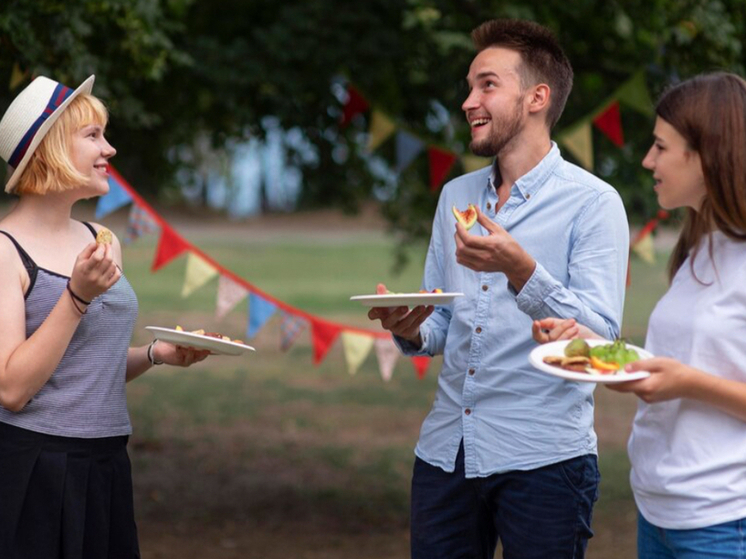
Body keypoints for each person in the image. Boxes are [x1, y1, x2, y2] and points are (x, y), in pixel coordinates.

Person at [367, 18, 629, 559]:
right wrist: (410, 329)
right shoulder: (455, 196)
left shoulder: (595, 203)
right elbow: (441, 322)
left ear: (537, 97)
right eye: (469, 86)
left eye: (487, 84)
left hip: (545, 460)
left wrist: (523, 271)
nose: (468, 101)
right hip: (446, 454)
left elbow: (603, 342)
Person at [533, 72, 746, 558]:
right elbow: (684, 359)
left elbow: (685, 375)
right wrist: (588, 342)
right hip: (659, 512)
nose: (648, 160)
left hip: (723, 520)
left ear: (706, 153)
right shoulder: (701, 248)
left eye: (661, 147)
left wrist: (683, 382)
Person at [0, 75, 210, 558]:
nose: (109, 149)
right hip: (35, 470)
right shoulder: (7, 251)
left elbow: (84, 368)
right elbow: (12, 389)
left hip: (108, 464)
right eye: (92, 136)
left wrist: (156, 355)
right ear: (50, 149)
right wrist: (75, 297)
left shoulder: (102, 240)